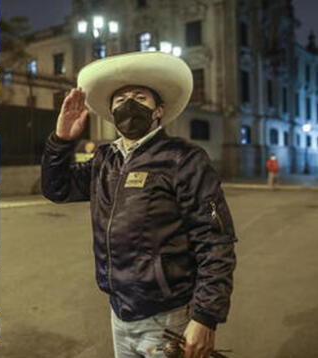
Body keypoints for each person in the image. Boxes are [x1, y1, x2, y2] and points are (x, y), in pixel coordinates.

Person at [41, 52, 237, 358]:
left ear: (159, 110)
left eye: (139, 97)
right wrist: (61, 140)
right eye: (120, 100)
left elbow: (215, 240)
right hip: (119, 312)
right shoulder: (105, 160)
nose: (128, 104)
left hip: (169, 316)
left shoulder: (183, 158)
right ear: (111, 112)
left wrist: (205, 317)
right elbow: (57, 189)